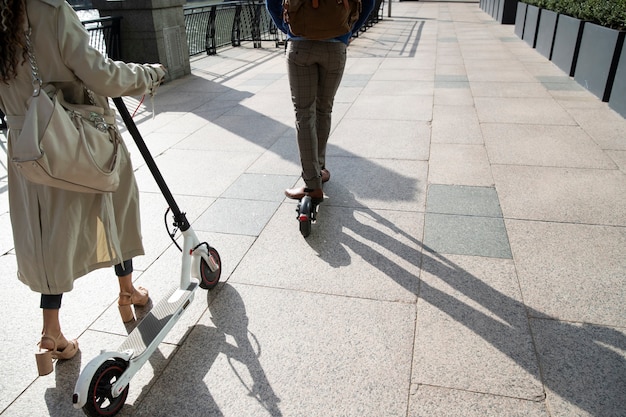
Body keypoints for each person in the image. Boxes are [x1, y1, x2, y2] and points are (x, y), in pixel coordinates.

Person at [0, 0, 166, 376]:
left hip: (27, 146)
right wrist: (147, 75)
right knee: (115, 206)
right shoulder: (50, 9)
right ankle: (127, 291)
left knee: (48, 236)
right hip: (74, 136)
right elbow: (99, 74)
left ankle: (51, 332)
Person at [266, 0, 375, 201]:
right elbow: (369, 2)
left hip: (300, 46)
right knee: (324, 110)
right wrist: (346, 33)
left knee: (304, 114)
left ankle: (311, 184)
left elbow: (271, 2)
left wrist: (290, 30)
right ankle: (320, 168)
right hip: (335, 47)